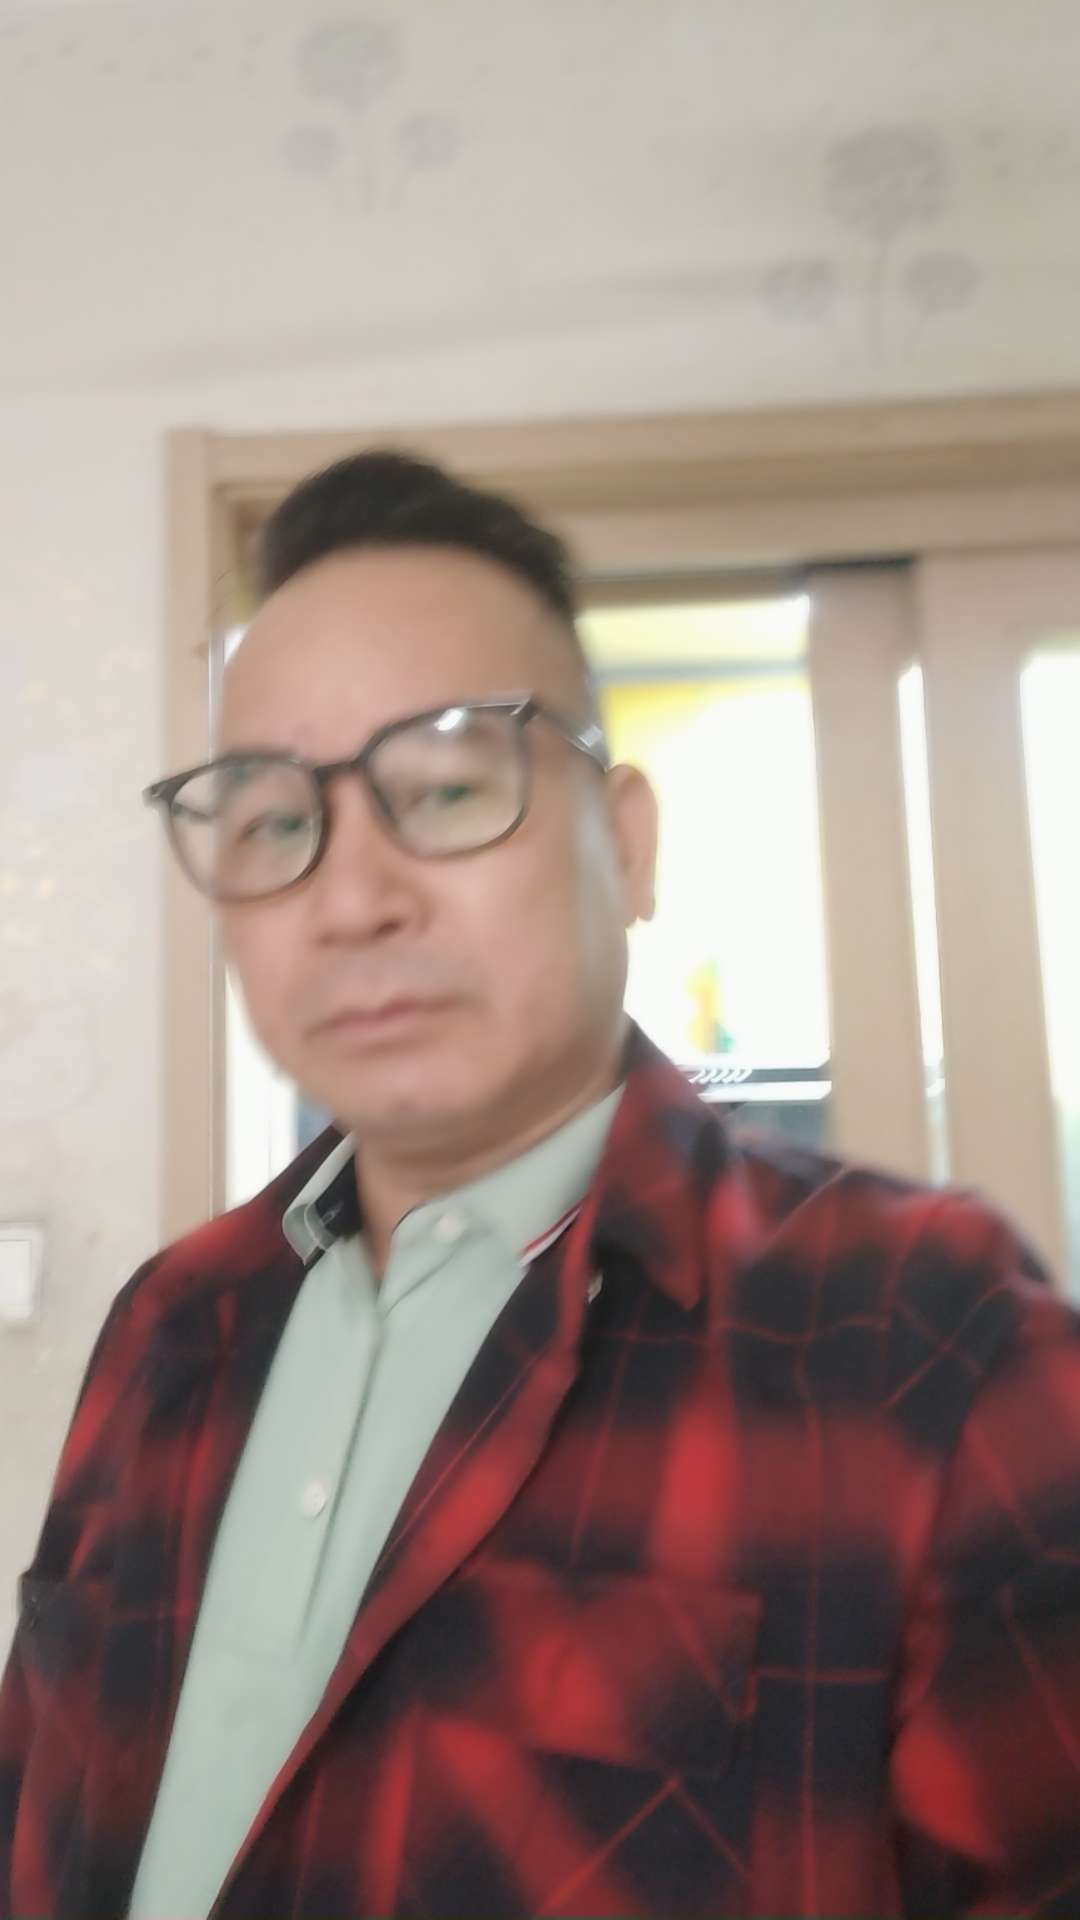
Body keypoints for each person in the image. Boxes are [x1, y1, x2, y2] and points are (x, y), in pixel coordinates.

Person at [2, 450, 1080, 1920]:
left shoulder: (926, 1340)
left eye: (447, 787)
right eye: (272, 822)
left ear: (626, 844)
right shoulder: (169, 1325)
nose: (352, 897)